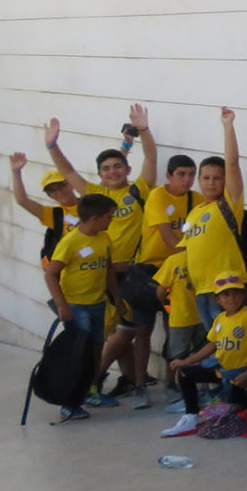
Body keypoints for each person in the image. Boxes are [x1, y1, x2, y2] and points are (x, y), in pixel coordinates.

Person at [45, 104, 158, 406]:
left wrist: (144, 130)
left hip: (132, 275)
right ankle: (93, 383)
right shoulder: (96, 194)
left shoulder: (139, 190)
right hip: (101, 277)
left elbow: (151, 158)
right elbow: (68, 172)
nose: (112, 172)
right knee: (112, 334)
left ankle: (130, 383)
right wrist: (52, 146)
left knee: (134, 330)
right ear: (99, 174)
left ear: (127, 169)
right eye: (106, 168)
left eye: (117, 166)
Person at [121, 153, 201, 409]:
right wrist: (192, 256)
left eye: (191, 174)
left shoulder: (197, 200)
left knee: (173, 328)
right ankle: (140, 384)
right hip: (150, 274)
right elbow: (167, 236)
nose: (187, 180)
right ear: (169, 175)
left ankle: (171, 382)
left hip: (176, 276)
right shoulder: (157, 196)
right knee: (142, 329)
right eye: (181, 174)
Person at [158, 271, 247, 438]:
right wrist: (187, 361)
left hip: (242, 375)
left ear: (244, 295)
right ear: (217, 299)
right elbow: (211, 345)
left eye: (236, 293)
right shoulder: (220, 319)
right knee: (185, 374)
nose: (231, 298)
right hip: (222, 372)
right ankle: (191, 417)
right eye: (226, 294)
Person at [41, 192, 117, 423]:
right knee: (78, 354)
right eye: (109, 216)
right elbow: (51, 274)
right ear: (95, 218)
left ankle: (90, 392)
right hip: (76, 306)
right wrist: (62, 306)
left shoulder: (104, 238)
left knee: (95, 350)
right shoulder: (70, 242)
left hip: (98, 304)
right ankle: (69, 402)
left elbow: (108, 270)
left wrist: (117, 298)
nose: (111, 221)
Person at [179, 108, 246, 329]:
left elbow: (232, 164)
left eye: (217, 178)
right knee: (215, 342)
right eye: (206, 177)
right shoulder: (194, 212)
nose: (211, 182)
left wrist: (228, 126)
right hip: (201, 290)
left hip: (227, 290)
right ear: (198, 180)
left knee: (231, 341)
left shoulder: (228, 205)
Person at [151, 245, 204, 412]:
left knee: (179, 359)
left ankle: (185, 395)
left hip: (180, 317)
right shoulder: (204, 255)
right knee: (203, 356)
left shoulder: (173, 260)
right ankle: (203, 392)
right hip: (203, 315)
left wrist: (165, 307)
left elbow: (160, 290)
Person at [8, 153, 80, 257]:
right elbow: (22, 201)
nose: (59, 192)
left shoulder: (91, 202)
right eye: (52, 191)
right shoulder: (55, 215)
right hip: (73, 263)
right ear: (50, 196)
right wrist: (16, 173)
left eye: (61, 186)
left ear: (71, 184)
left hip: (99, 258)